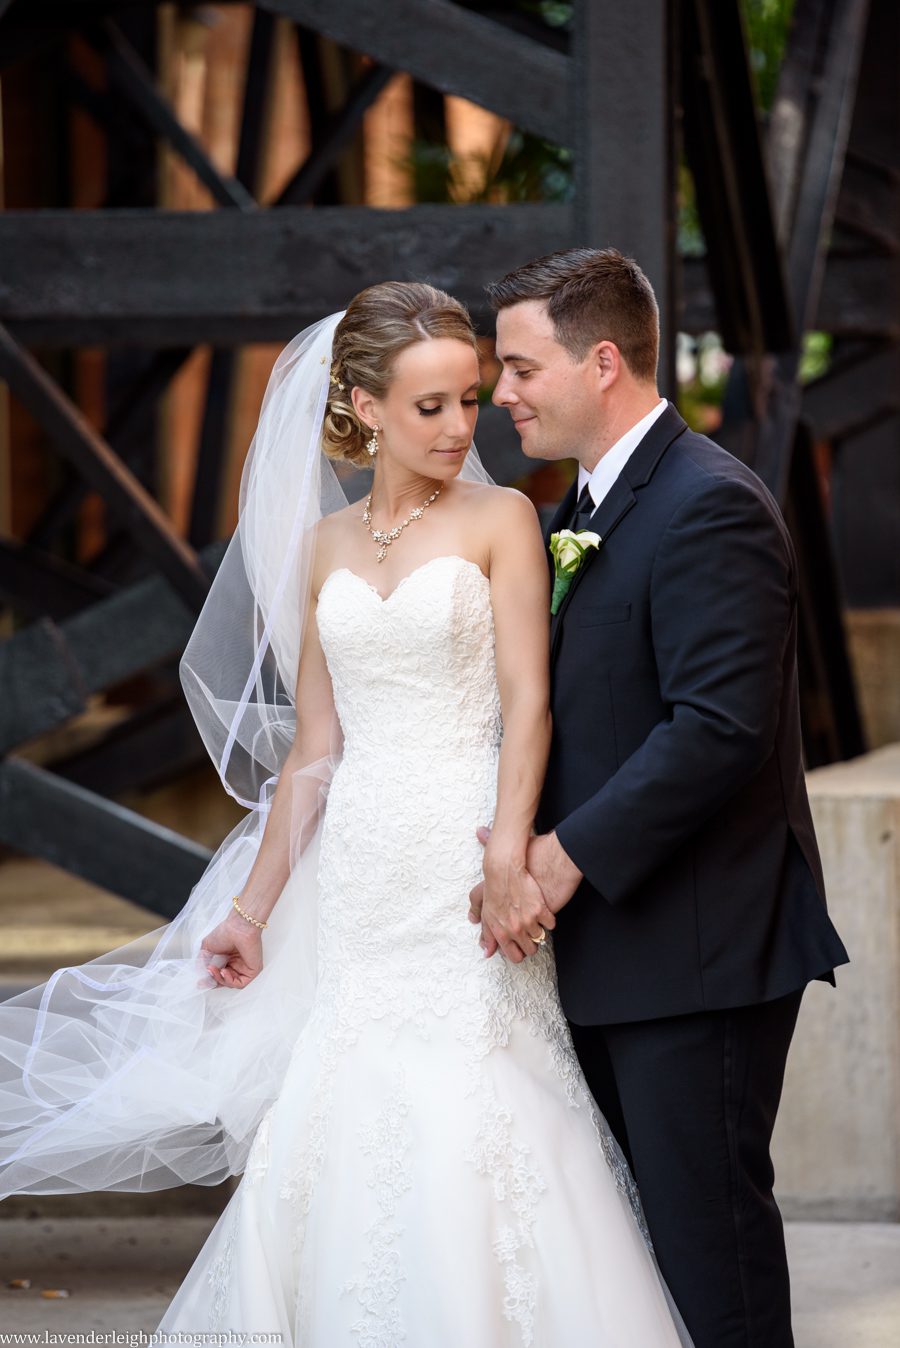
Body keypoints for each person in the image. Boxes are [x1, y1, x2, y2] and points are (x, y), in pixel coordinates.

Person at [0, 282, 692, 1346]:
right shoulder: (322, 545)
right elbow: (315, 755)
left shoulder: (504, 519)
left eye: (470, 398)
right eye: (430, 407)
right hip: (363, 869)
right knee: (344, 1096)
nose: (462, 427)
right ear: (365, 407)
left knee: (477, 1099)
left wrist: (509, 855)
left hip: (465, 856)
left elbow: (530, 705)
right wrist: (255, 906)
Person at [470, 247, 850, 1348]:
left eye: (519, 367)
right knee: (634, 1268)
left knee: (708, 1256)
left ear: (601, 363)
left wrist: (562, 853)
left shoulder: (709, 505)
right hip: (615, 955)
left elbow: (718, 729)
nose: (503, 394)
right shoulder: (581, 507)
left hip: (697, 954)